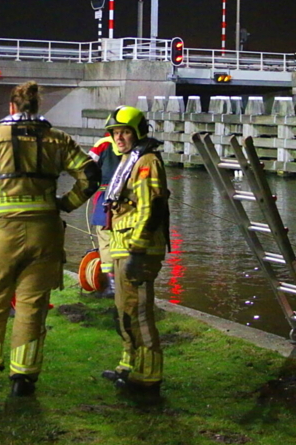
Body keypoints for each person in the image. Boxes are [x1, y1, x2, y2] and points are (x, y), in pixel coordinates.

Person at [0, 81, 99, 397]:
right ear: (36, 107)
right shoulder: (59, 140)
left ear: (11, 107)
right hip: (44, 231)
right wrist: (64, 204)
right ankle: (23, 379)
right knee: (33, 305)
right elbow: (90, 176)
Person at [100, 105, 170, 397]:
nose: (119, 138)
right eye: (115, 132)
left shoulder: (147, 161)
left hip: (137, 250)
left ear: (138, 132)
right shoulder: (130, 160)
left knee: (139, 313)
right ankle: (128, 365)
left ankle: (148, 378)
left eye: (125, 132)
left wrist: (138, 251)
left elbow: (149, 208)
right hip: (122, 247)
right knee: (123, 312)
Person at [88, 132, 123, 297]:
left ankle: (111, 285)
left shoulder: (102, 143)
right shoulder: (136, 144)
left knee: (105, 241)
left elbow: (87, 168)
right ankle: (124, 283)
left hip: (105, 199)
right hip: (127, 200)